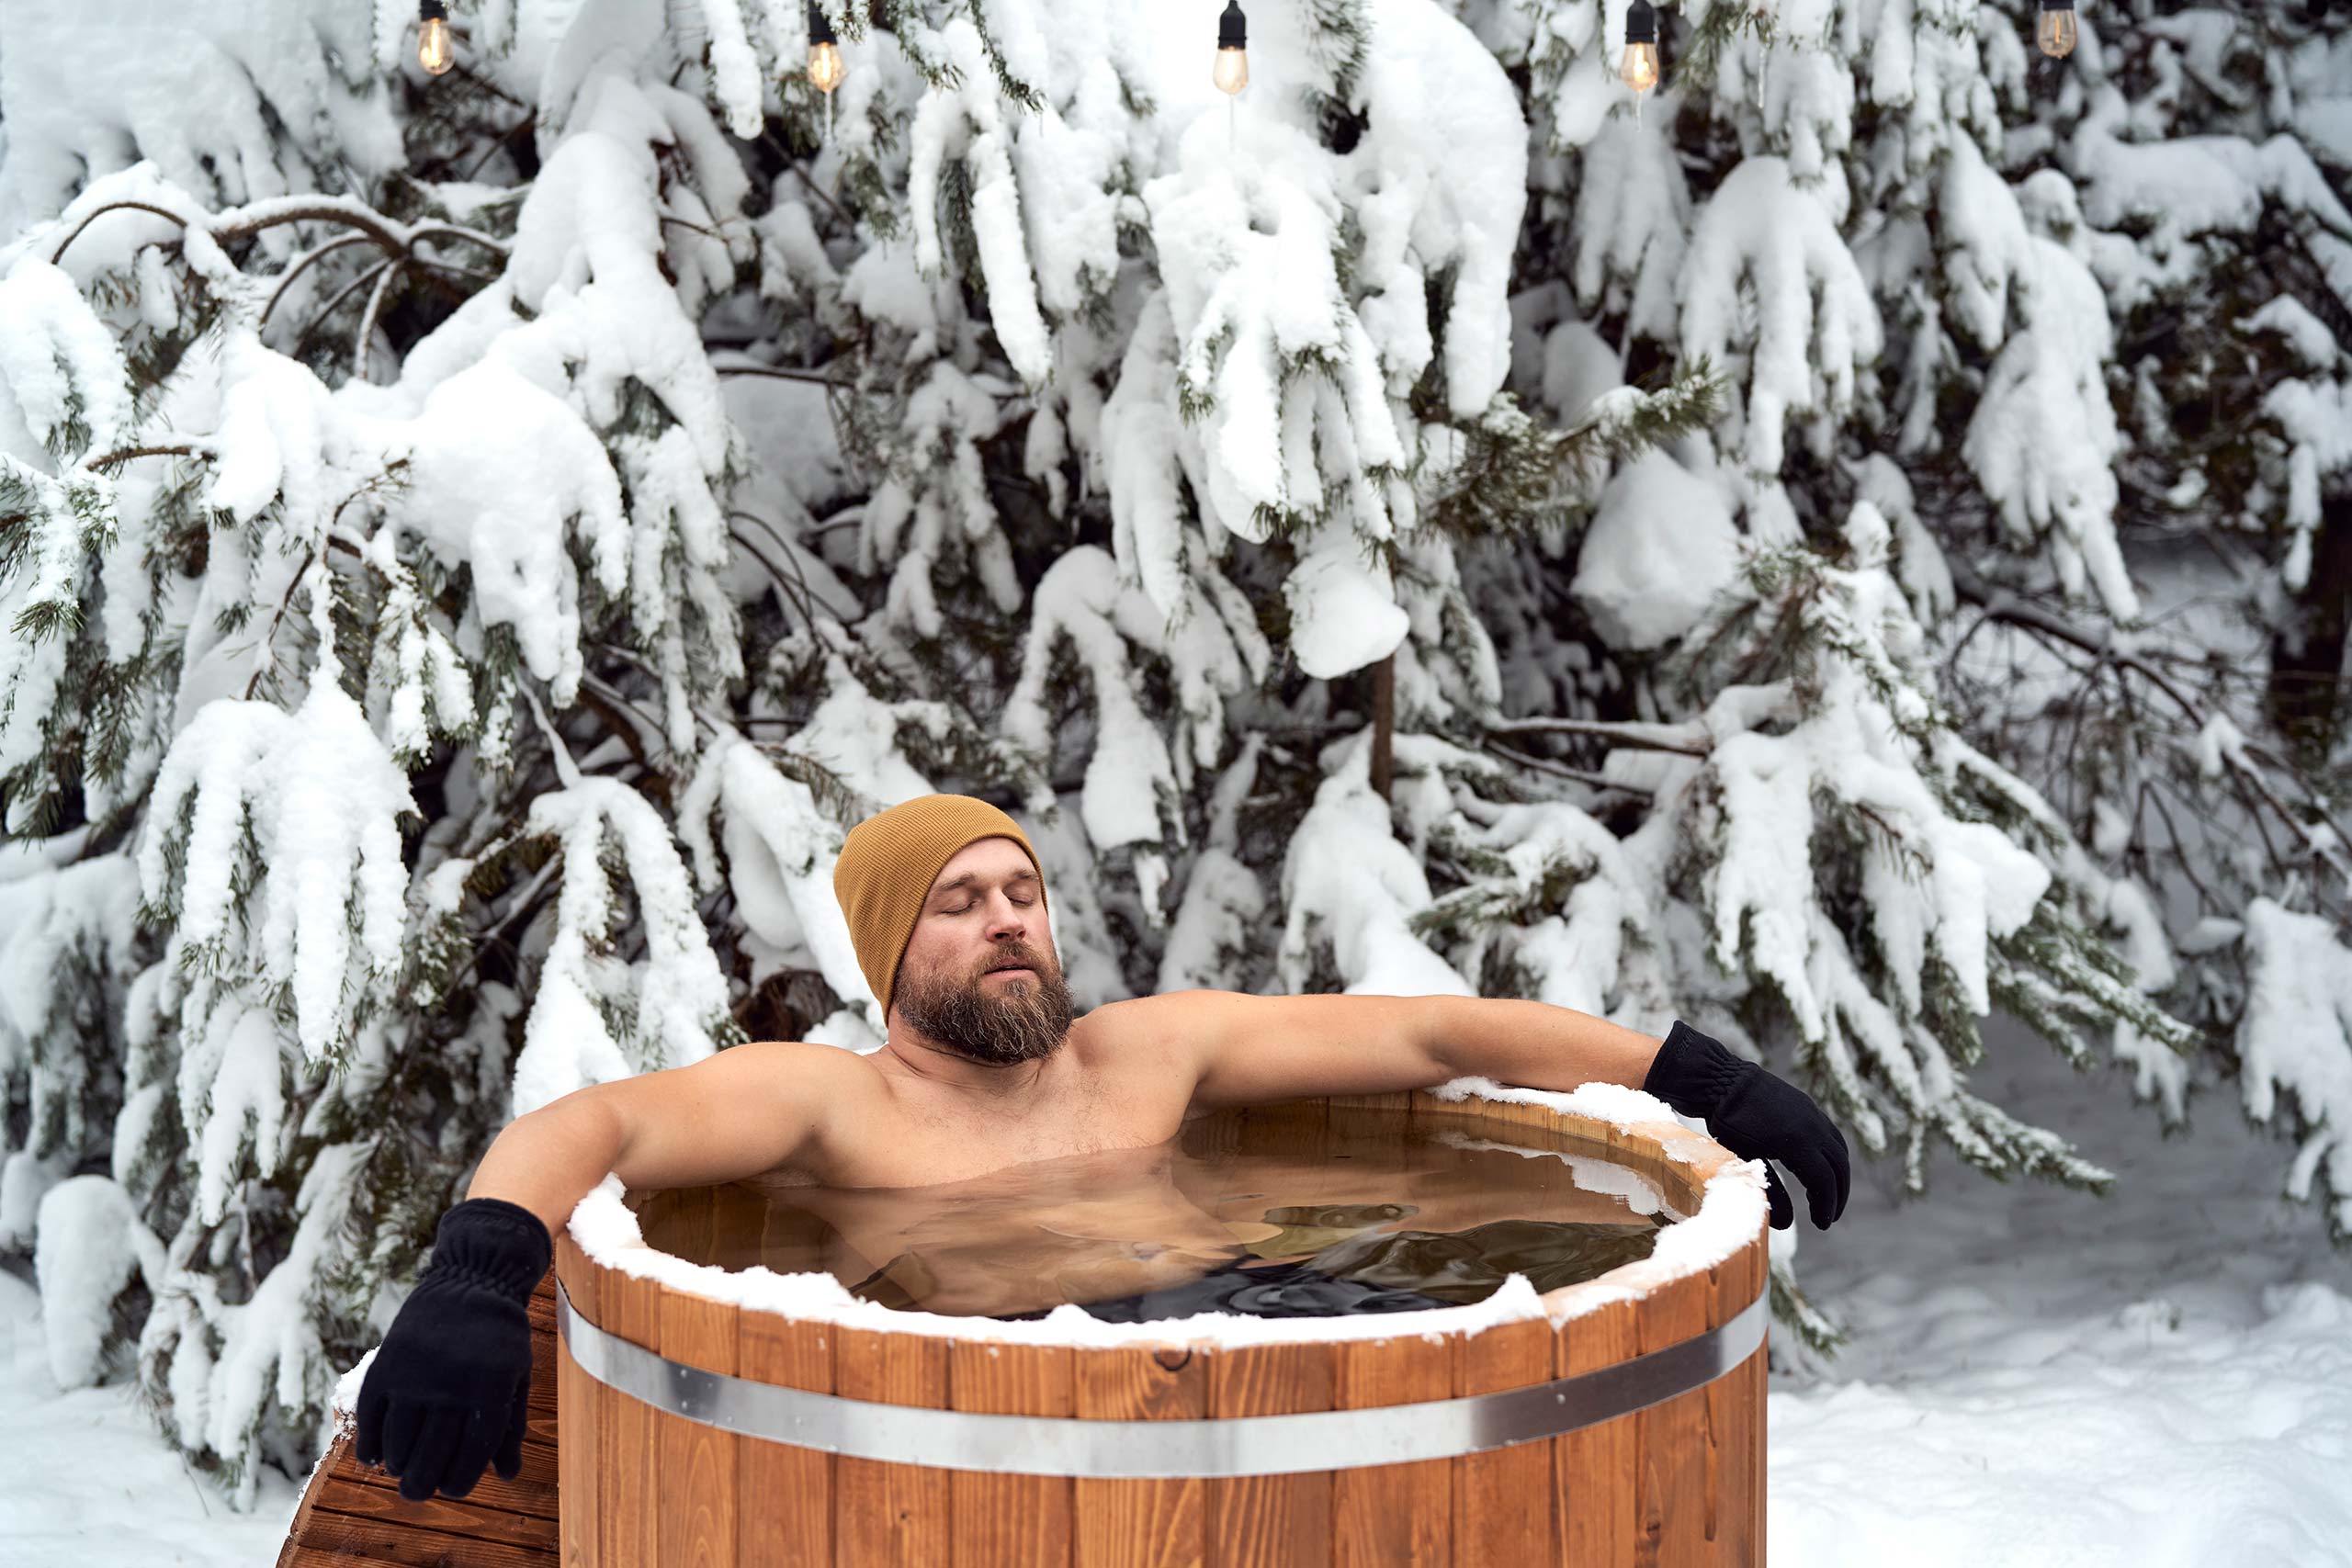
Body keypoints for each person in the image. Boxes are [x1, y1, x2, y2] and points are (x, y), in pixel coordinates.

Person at [356, 793, 1849, 1501]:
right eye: (959, 901)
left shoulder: (1146, 1052)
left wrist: (1693, 1073)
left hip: (1277, 1314)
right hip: (999, 1420)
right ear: (893, 958)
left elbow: (1434, 1041)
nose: (1009, 917)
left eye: (1023, 891)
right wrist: (481, 1274)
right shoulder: (835, 1106)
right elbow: (599, 1122)